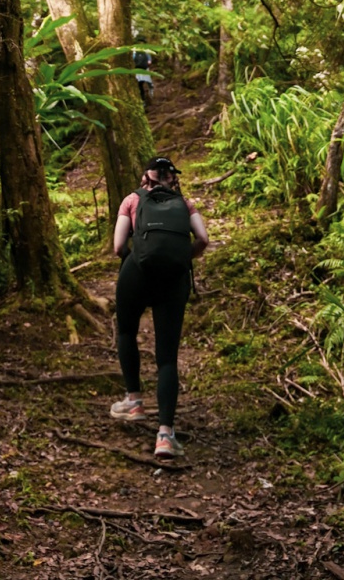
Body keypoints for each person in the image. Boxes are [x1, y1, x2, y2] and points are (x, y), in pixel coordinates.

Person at [109, 155, 209, 459]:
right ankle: (165, 436)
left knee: (126, 329)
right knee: (167, 357)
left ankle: (134, 400)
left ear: (146, 177)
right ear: (171, 177)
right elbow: (203, 239)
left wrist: (138, 259)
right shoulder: (185, 204)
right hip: (174, 281)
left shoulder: (132, 200)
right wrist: (181, 258)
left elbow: (117, 247)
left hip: (136, 275)